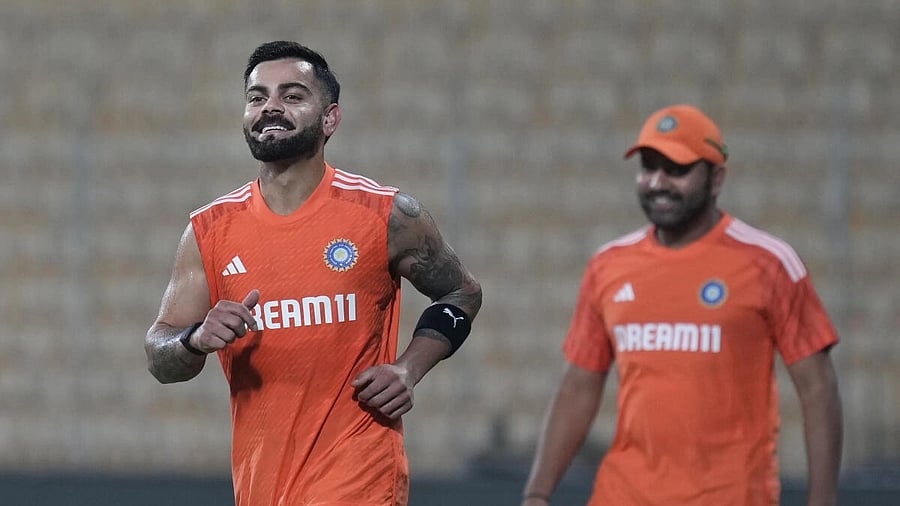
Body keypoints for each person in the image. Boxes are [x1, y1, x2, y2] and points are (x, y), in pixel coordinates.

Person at [144, 40, 482, 506]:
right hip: (262, 486)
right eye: (257, 97)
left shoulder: (386, 215)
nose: (270, 108)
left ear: (330, 119)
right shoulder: (209, 231)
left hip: (360, 479)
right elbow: (159, 357)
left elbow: (462, 294)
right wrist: (194, 338)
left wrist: (408, 369)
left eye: (292, 95)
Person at [521, 104, 842, 506]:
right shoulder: (609, 264)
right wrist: (537, 494)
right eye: (648, 166)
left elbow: (818, 388)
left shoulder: (771, 263)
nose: (658, 182)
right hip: (623, 494)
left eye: (677, 169)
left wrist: (824, 499)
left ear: (716, 178)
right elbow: (579, 385)